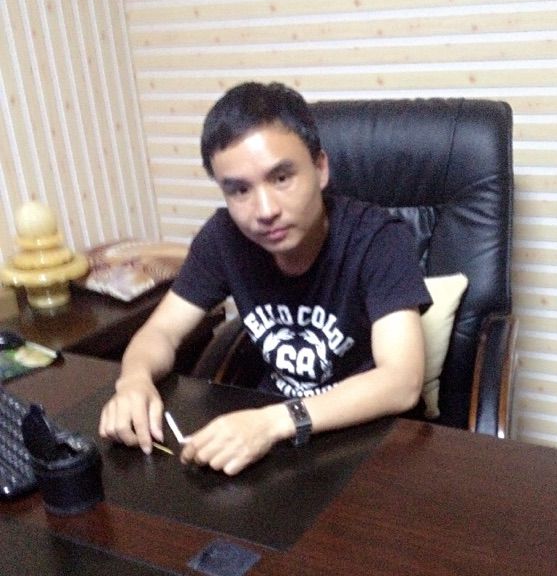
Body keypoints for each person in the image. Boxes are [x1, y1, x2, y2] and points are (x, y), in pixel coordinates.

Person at [99, 82, 430, 475]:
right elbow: (162, 332)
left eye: (282, 178)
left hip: (369, 438)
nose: (265, 210)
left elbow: (402, 381)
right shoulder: (223, 239)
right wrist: (133, 382)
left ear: (320, 168)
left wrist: (273, 422)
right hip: (277, 441)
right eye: (240, 190)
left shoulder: (378, 239)